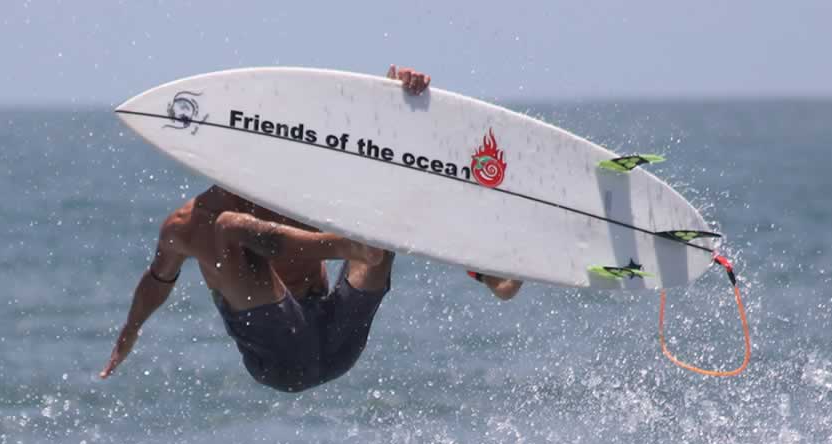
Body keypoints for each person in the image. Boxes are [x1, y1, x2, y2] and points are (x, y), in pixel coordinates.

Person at [98, 66, 523, 392]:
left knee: (383, 190)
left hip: (336, 335)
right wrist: (130, 330)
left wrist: (393, 95)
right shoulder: (186, 225)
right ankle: (351, 246)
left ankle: (488, 271)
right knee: (229, 229)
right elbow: (158, 280)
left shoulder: (293, 181)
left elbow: (364, 146)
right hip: (281, 360)